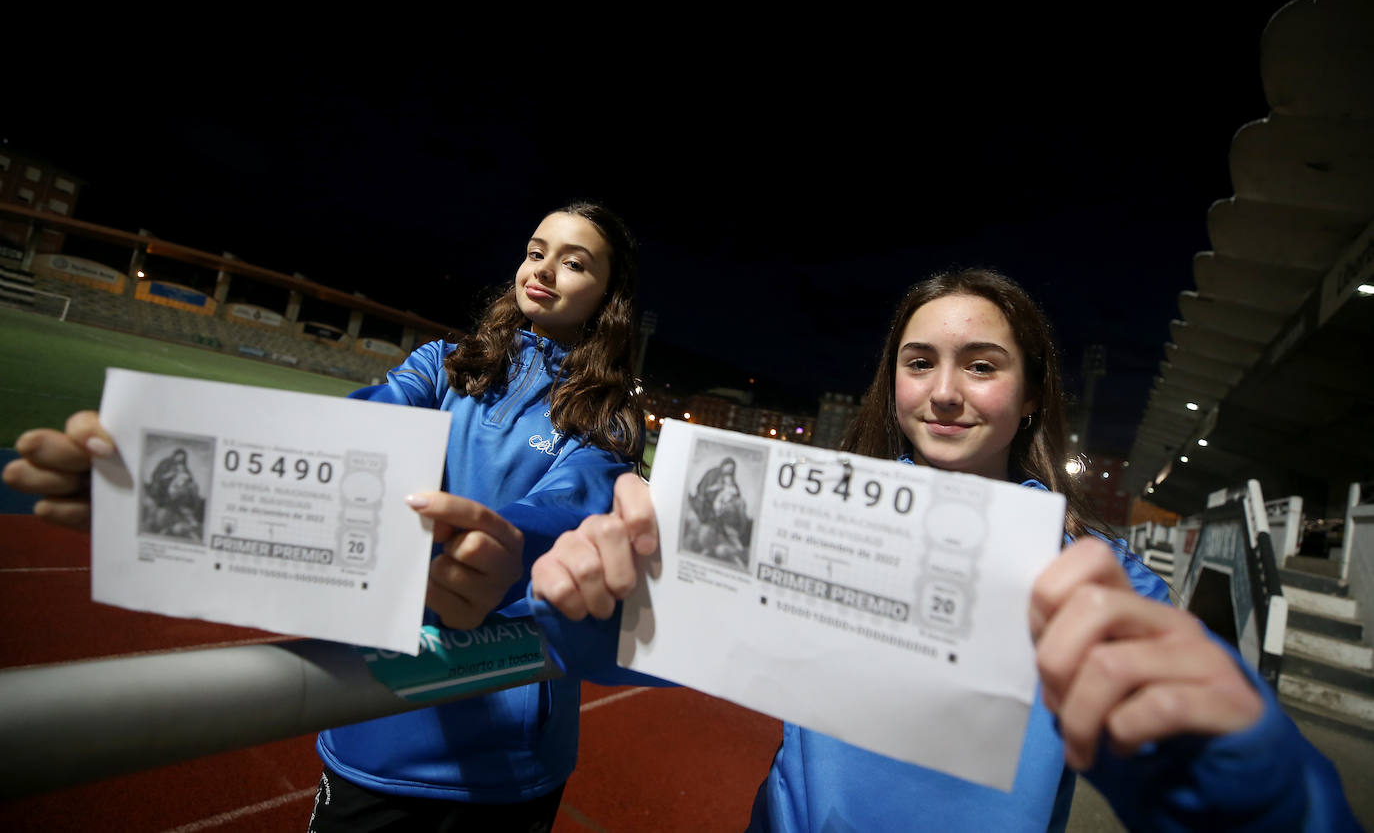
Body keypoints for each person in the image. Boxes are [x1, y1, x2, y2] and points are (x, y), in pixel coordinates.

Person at [527, 268, 1359, 831]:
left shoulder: (1095, 579)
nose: (946, 393)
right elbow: (618, 645)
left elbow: (1237, 788)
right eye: (920, 363)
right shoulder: (807, 519)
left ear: (1032, 396)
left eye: (982, 365)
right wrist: (579, 592)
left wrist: (1268, 783)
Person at [4, 202, 648, 832]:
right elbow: (351, 434)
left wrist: (506, 549)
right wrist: (180, 472)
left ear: (610, 296)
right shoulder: (443, 365)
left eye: (573, 263)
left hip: (511, 750)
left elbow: (571, 502)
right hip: (376, 714)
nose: (543, 269)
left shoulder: (608, 416)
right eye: (536, 253)